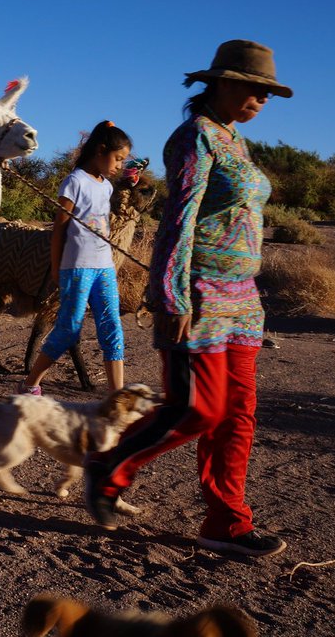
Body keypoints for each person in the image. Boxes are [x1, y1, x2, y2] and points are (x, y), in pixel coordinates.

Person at [84, 39, 292, 557]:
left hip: (242, 298)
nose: (262, 99)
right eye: (254, 87)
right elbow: (179, 218)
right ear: (221, 83)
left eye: (267, 92)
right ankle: (109, 466)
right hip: (198, 290)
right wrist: (172, 294)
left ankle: (226, 522)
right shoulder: (195, 136)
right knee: (198, 408)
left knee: (238, 414)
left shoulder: (235, 140)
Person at [19, 121, 132, 396]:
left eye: (123, 160)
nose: (120, 166)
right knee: (68, 329)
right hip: (77, 268)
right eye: (117, 158)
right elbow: (59, 229)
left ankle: (117, 397)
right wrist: (56, 267)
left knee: (112, 327)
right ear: (100, 151)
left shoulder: (106, 187)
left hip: (104, 267)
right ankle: (30, 384)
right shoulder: (75, 181)